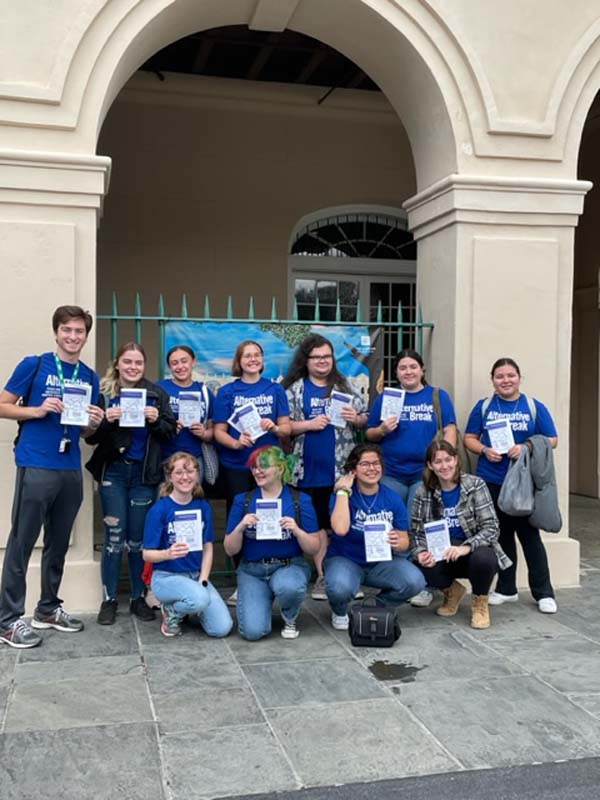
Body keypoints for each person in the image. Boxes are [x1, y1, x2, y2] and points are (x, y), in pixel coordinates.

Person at [0, 305, 103, 648]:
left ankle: (47, 608)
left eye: (79, 331)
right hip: (37, 463)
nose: (73, 336)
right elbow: (2, 405)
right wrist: (37, 410)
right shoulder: (35, 364)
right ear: (57, 332)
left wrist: (94, 423)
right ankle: (8, 620)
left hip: (69, 467)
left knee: (58, 542)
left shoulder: (88, 376)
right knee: (22, 542)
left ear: (85, 336)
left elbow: (87, 432)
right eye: (67, 330)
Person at [86, 342, 177, 625]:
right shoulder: (105, 393)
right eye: (127, 362)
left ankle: (138, 597)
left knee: (138, 541)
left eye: (138, 363)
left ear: (144, 366)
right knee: (114, 540)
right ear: (118, 364)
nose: (133, 367)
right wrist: (106, 421)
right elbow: (90, 437)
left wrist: (155, 419)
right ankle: (109, 599)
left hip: (144, 476)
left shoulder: (157, 393)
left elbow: (170, 433)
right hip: (113, 473)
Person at [464, 357, 559, 614]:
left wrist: (526, 447)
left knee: (530, 537)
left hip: (523, 483)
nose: (505, 380)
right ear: (492, 380)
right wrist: (484, 450)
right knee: (500, 536)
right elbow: (469, 438)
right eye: (500, 376)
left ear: (519, 377)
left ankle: (543, 592)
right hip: (492, 480)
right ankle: (507, 588)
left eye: (510, 375)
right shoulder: (484, 407)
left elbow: (552, 439)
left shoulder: (533, 406)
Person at [366, 349, 457, 608]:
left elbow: (450, 428)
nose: (408, 372)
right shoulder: (387, 398)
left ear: (422, 369)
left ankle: (422, 582)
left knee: (422, 527)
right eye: (402, 368)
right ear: (396, 372)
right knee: (397, 527)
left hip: (424, 474)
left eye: (412, 367)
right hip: (392, 473)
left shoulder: (437, 396)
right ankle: (403, 579)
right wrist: (382, 429)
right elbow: (370, 434)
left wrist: (445, 461)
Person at [282, 333, 367, 601]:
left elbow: (366, 419)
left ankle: (345, 576)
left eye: (327, 357)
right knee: (318, 525)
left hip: (341, 470)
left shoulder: (347, 386)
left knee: (341, 523)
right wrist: (308, 424)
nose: (322, 361)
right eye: (316, 357)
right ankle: (323, 577)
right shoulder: (295, 389)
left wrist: (357, 418)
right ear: (306, 361)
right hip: (308, 470)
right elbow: (284, 427)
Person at [214, 340, 291, 604]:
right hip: (236, 465)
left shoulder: (275, 389)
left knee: (272, 515)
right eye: (247, 356)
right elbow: (218, 432)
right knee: (240, 519)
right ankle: (241, 578)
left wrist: (275, 429)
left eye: (257, 355)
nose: (253, 359)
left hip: (268, 465)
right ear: (239, 360)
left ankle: (272, 575)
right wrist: (236, 443)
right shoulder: (227, 391)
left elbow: (286, 429)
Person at [324, 443, 426, 631]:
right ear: (353, 469)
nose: (372, 468)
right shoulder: (343, 494)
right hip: (346, 559)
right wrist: (342, 492)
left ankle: (376, 606)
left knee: (415, 581)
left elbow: (405, 541)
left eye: (376, 463)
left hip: (381, 562)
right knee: (339, 587)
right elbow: (339, 529)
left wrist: (398, 542)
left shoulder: (392, 497)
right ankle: (339, 611)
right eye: (365, 464)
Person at [411, 440, 509, 629]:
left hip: (471, 551)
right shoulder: (423, 492)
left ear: (456, 459)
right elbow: (416, 532)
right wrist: (421, 552)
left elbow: (492, 527)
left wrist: (466, 547)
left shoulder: (474, 485)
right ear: (430, 465)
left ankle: (480, 602)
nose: (444, 466)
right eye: (438, 462)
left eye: (448, 459)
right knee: (418, 563)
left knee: (485, 557)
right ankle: (452, 591)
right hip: (444, 553)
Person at [224, 446, 319, 640]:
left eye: (264, 466)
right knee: (252, 632)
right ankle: (262, 601)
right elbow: (229, 549)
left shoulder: (299, 500)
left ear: (280, 468)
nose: (257, 471)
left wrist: (297, 530)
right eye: (254, 467)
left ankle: (289, 615)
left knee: (288, 586)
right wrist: (240, 527)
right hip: (252, 569)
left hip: (288, 565)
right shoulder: (243, 500)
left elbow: (313, 547)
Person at [142, 452, 232, 639]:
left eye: (190, 471)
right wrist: (168, 553)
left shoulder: (203, 506)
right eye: (179, 472)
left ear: (197, 475)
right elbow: (147, 554)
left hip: (196, 575)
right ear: (170, 477)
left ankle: (189, 604)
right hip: (167, 577)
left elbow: (208, 547)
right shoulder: (159, 510)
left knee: (221, 628)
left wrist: (204, 580)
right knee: (199, 599)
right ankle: (173, 610)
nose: (185, 477)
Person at [157, 344, 217, 485]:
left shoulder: (204, 392)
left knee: (192, 500)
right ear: (169, 367)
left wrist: (203, 433)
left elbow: (213, 430)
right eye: (174, 363)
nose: (180, 366)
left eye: (184, 361)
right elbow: (151, 424)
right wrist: (167, 428)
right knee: (167, 502)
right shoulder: (160, 388)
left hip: (195, 458)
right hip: (166, 457)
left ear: (193, 362)